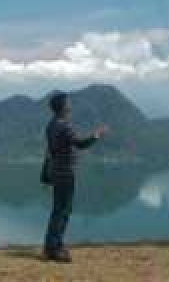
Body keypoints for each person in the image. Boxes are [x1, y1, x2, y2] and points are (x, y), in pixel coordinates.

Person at [42, 92, 108, 263]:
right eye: (68, 103)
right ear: (63, 107)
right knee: (63, 210)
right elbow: (80, 144)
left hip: (57, 172)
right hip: (65, 174)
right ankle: (53, 248)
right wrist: (97, 135)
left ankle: (54, 245)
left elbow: (51, 150)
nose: (70, 106)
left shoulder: (51, 125)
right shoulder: (65, 126)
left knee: (59, 210)